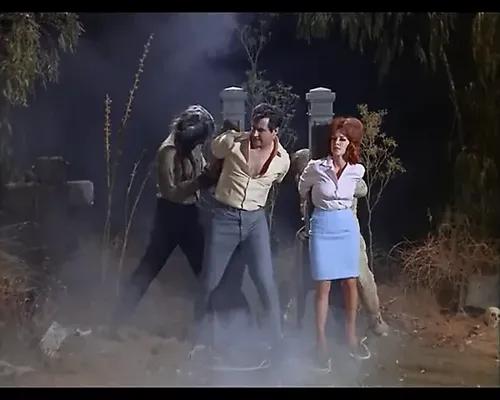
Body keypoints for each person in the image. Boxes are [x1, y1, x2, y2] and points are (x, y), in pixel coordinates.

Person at [111, 105, 250, 329]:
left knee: (206, 271)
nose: (200, 144)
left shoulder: (192, 147)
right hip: (169, 216)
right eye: (199, 139)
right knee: (148, 268)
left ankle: (218, 325)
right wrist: (201, 181)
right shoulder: (167, 152)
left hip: (190, 214)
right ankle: (116, 320)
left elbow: (203, 173)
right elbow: (171, 192)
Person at [193, 103, 290, 362]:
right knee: (210, 280)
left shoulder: (282, 161)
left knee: (266, 282)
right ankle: (199, 340)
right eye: (253, 127)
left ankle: (277, 343)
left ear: (275, 132)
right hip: (224, 217)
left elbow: (277, 182)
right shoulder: (232, 143)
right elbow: (214, 149)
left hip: (255, 221)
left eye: (261, 130)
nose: (255, 134)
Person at [290, 148, 389, 336]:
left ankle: (374, 318)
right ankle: (297, 315)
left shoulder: (342, 168)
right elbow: (305, 207)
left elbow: (362, 189)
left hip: (346, 231)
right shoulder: (309, 176)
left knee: (361, 275)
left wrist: (338, 180)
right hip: (320, 231)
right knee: (304, 273)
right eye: (299, 171)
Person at [298, 116, 368, 368]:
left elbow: (357, 193)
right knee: (323, 285)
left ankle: (350, 336)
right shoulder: (316, 167)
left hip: (346, 226)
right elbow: (302, 189)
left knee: (350, 282)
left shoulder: (356, 170)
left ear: (350, 144)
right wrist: (306, 215)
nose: (337, 143)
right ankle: (320, 343)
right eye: (334, 139)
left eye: (342, 139)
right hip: (323, 225)